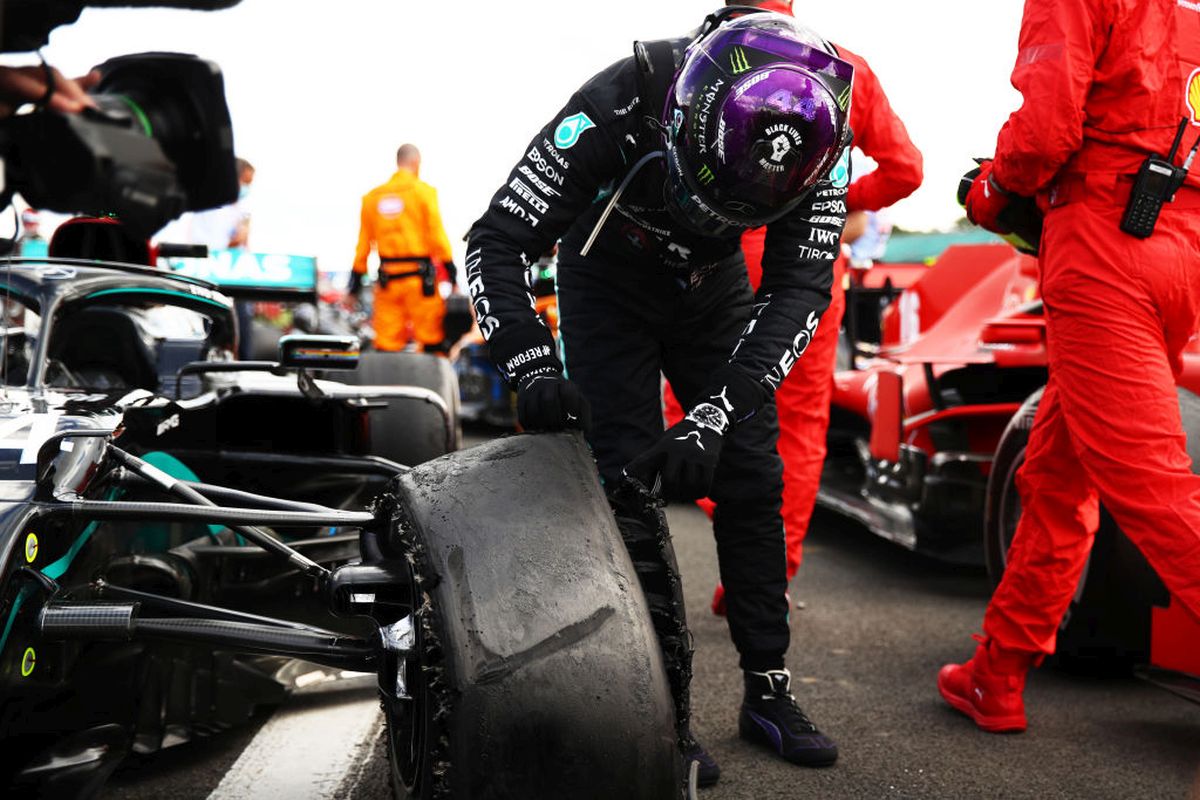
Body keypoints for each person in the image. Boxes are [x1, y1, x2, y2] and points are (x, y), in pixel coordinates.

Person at [465, 9, 852, 783]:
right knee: (626, 480)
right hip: (607, 276)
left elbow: (800, 292)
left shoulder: (821, 141)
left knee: (750, 470)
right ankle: (658, 703)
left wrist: (714, 416)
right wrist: (531, 363)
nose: (712, 214)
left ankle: (768, 686)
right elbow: (495, 239)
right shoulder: (618, 98)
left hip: (714, 287)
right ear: (682, 116)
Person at [941, 0, 1200, 733]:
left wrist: (992, 190)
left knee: (1153, 487)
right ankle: (997, 672)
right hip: (1181, 246)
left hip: (1103, 244)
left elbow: (1047, 127)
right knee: (1056, 476)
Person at [707, 0, 923, 615]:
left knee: (695, 403)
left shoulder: (702, 56)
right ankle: (766, 575)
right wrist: (830, 195)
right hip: (808, 263)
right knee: (800, 424)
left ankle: (730, 541)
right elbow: (907, 170)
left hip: (717, 258)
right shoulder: (846, 67)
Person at [349, 144, 456, 353]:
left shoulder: (372, 198)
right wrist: (450, 270)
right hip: (420, 282)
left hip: (388, 282)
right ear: (416, 162)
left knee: (387, 344)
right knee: (431, 341)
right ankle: (431, 383)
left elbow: (363, 246)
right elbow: (437, 235)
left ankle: (389, 383)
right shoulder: (423, 192)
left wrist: (354, 283)